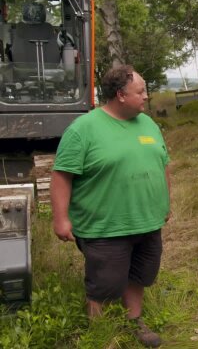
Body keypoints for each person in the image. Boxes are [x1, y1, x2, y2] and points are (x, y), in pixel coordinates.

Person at [51, 65, 170, 348]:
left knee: (141, 274)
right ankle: (101, 333)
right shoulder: (83, 129)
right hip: (104, 226)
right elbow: (61, 175)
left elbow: (163, 164)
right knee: (105, 284)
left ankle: (134, 320)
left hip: (147, 220)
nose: (146, 96)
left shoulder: (148, 124)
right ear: (120, 95)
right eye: (140, 91)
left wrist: (166, 202)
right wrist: (61, 219)